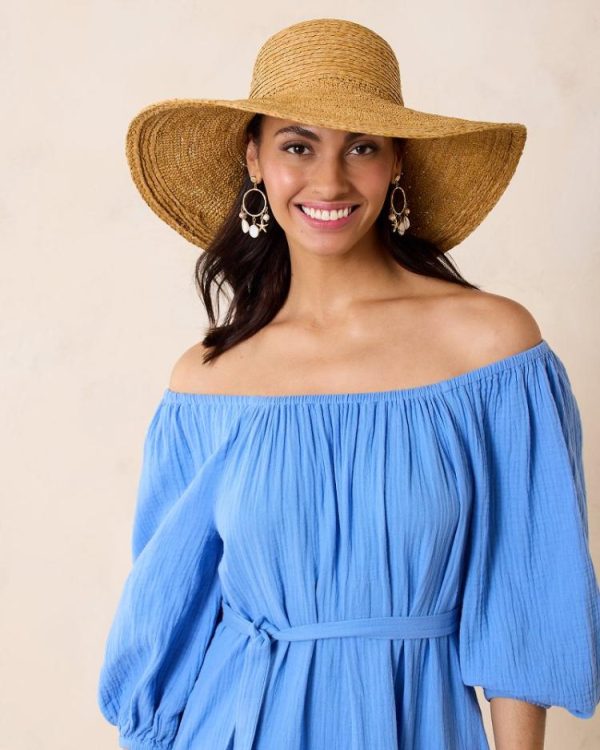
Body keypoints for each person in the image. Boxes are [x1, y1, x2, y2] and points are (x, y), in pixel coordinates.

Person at [97, 17, 600, 750]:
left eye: (361, 146)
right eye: (297, 146)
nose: (329, 180)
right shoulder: (208, 381)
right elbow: (166, 622)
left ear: (396, 164)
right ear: (255, 161)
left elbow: (526, 596)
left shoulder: (491, 351)